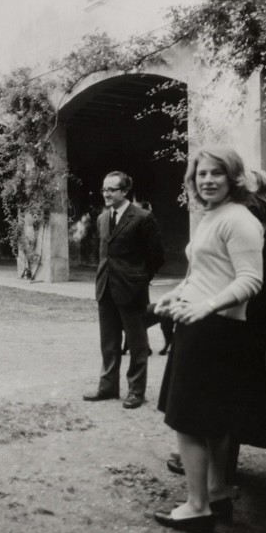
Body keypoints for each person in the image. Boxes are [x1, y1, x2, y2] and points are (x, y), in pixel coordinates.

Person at [153, 146, 263, 533]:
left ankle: (197, 507)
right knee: (214, 422)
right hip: (200, 325)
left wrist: (205, 308)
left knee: (188, 421)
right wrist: (177, 293)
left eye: (216, 173)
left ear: (233, 178)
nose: (207, 180)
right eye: (201, 174)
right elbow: (204, 271)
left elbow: (250, 279)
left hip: (214, 331)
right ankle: (217, 492)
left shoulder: (239, 219)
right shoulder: (211, 216)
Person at [83, 171, 164, 409]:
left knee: (137, 343)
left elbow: (157, 256)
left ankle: (136, 391)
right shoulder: (102, 218)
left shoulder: (143, 218)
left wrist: (139, 278)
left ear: (125, 191)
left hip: (132, 289)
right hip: (105, 288)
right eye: (104, 189)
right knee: (108, 342)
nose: (106, 194)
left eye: (111, 189)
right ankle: (107, 388)